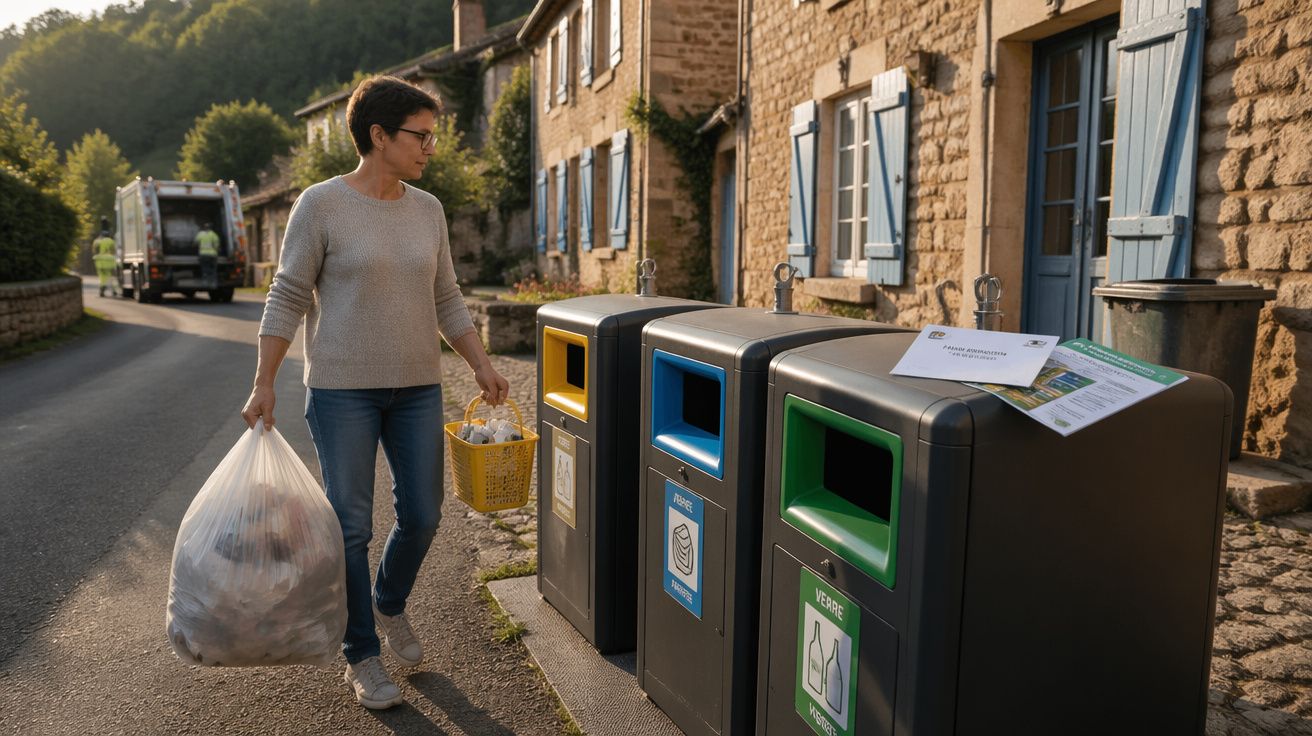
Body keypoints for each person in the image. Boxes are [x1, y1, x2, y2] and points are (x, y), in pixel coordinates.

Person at [240, 75, 510, 711]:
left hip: (418, 386)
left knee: (423, 514)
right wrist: (263, 383)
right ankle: (360, 653)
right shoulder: (320, 205)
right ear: (379, 135)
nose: (430, 147)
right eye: (421, 135)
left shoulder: (428, 210)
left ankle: (389, 603)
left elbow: (446, 298)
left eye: (433, 137)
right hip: (341, 392)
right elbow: (288, 293)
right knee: (352, 526)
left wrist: (480, 364)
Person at [91, 218, 118, 297]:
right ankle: (114, 290)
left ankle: (102, 288)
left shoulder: (96, 241)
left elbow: (94, 251)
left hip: (99, 261)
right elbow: (114, 251)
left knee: (102, 276)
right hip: (109, 261)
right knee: (111, 276)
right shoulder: (111, 241)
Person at [195, 222, 220, 288]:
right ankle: (213, 283)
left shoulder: (200, 234)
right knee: (213, 270)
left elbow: (196, 242)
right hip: (212, 255)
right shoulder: (214, 235)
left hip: (203, 255)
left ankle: (205, 283)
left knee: (205, 269)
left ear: (204, 228)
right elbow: (216, 246)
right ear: (211, 228)